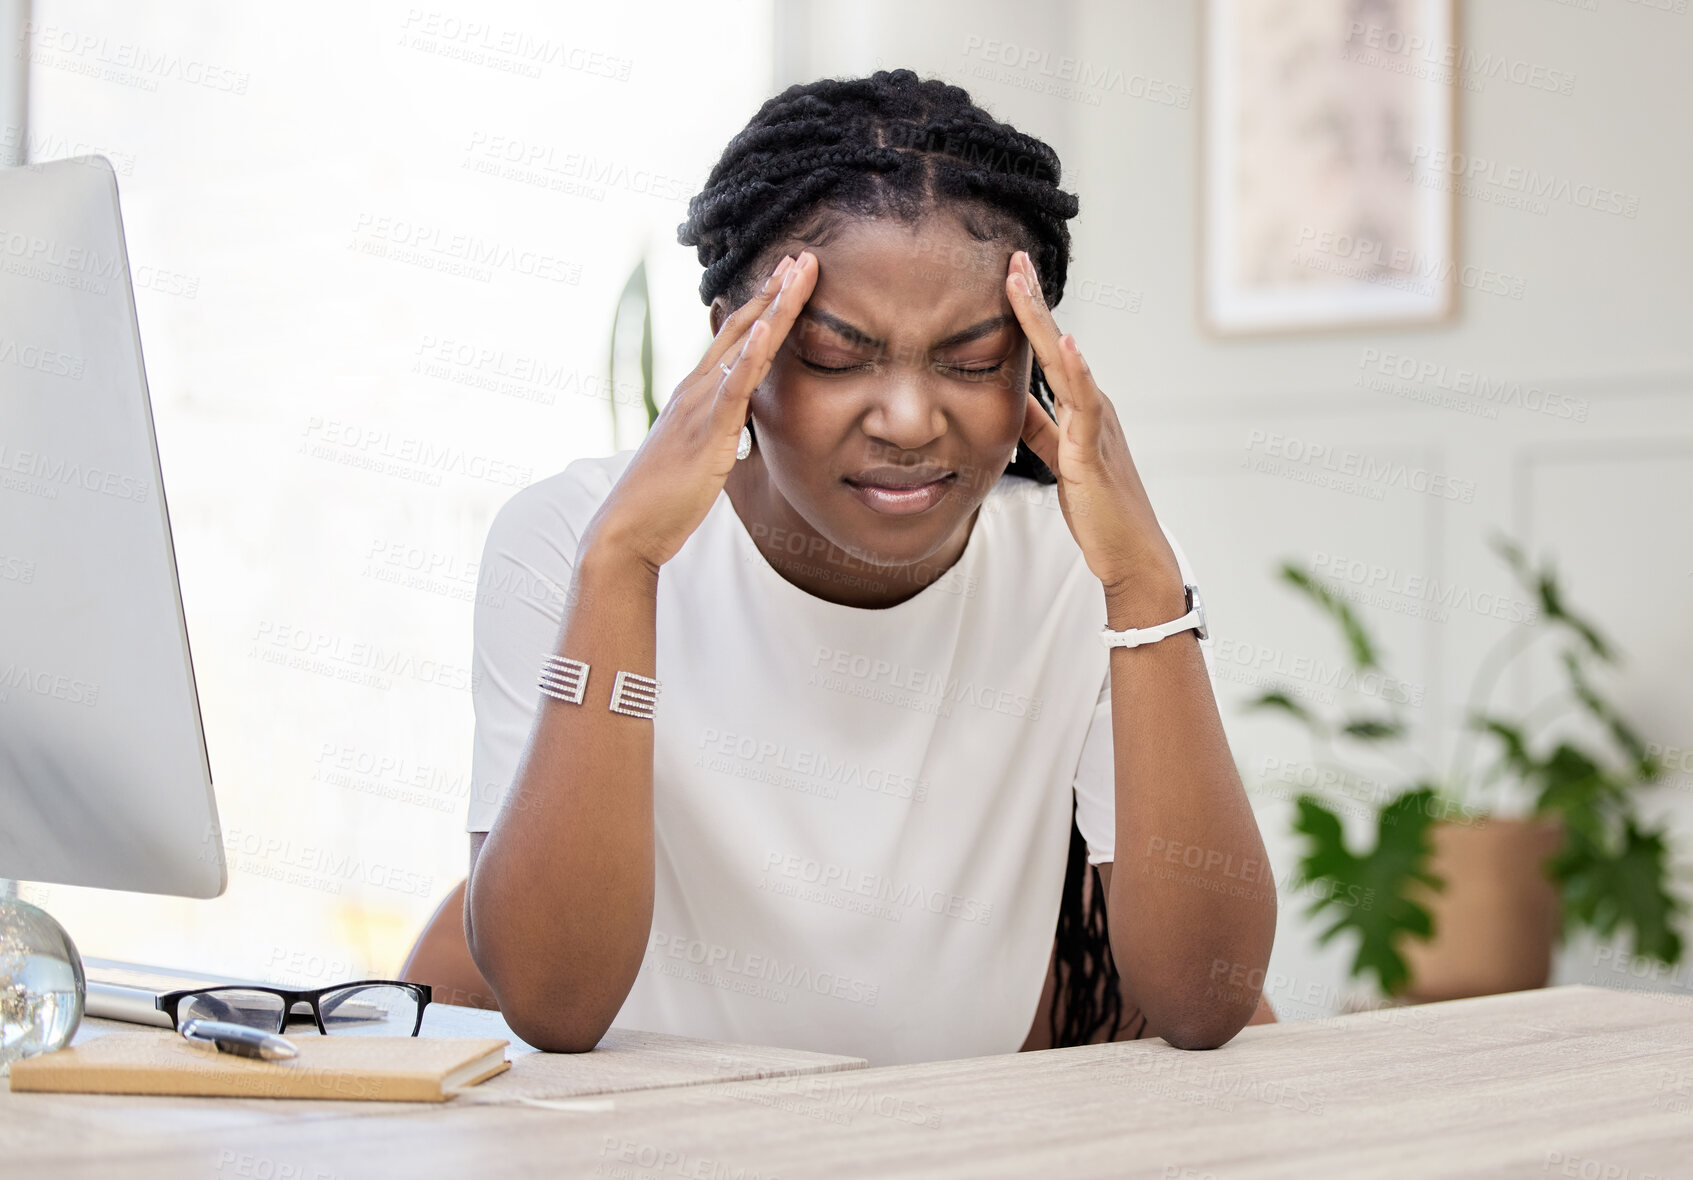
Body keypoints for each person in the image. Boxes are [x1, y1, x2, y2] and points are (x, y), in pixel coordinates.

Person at [461, 69, 1276, 1066]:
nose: (907, 418)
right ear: (737, 345)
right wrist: (623, 568)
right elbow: (552, 1002)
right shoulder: (570, 541)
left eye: (972, 359)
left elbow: (1207, 1002)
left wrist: (1148, 589)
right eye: (840, 356)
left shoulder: (1082, 572)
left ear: (1035, 357)